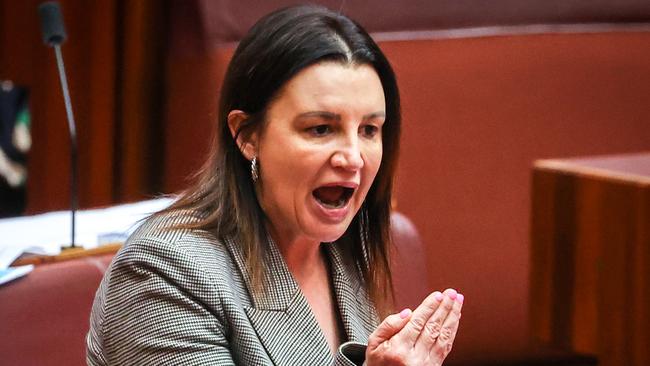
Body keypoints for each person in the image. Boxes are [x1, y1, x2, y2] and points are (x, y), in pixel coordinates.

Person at [86, 5, 463, 366]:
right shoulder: (166, 270)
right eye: (320, 128)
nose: (353, 157)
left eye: (368, 130)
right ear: (247, 136)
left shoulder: (348, 249)